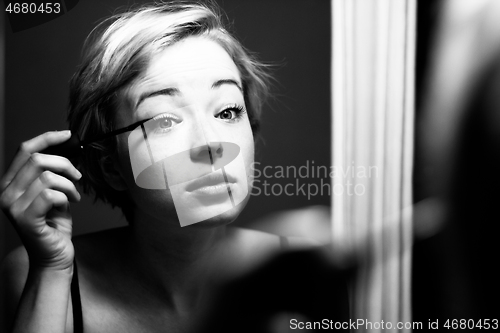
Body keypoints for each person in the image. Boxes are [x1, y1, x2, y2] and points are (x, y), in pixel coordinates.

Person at [0, 2, 338, 332]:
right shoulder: (40, 272)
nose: (210, 144)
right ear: (110, 167)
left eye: (227, 111)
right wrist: (52, 269)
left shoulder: (305, 271)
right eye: (164, 120)